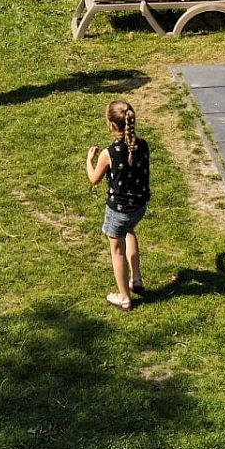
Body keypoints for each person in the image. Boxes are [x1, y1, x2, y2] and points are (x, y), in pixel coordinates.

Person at [85, 100, 150, 312]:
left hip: (118, 211)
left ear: (112, 125)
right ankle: (136, 279)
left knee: (117, 251)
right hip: (138, 208)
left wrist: (89, 159)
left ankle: (124, 298)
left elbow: (94, 179)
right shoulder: (143, 145)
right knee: (130, 232)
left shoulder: (108, 153)